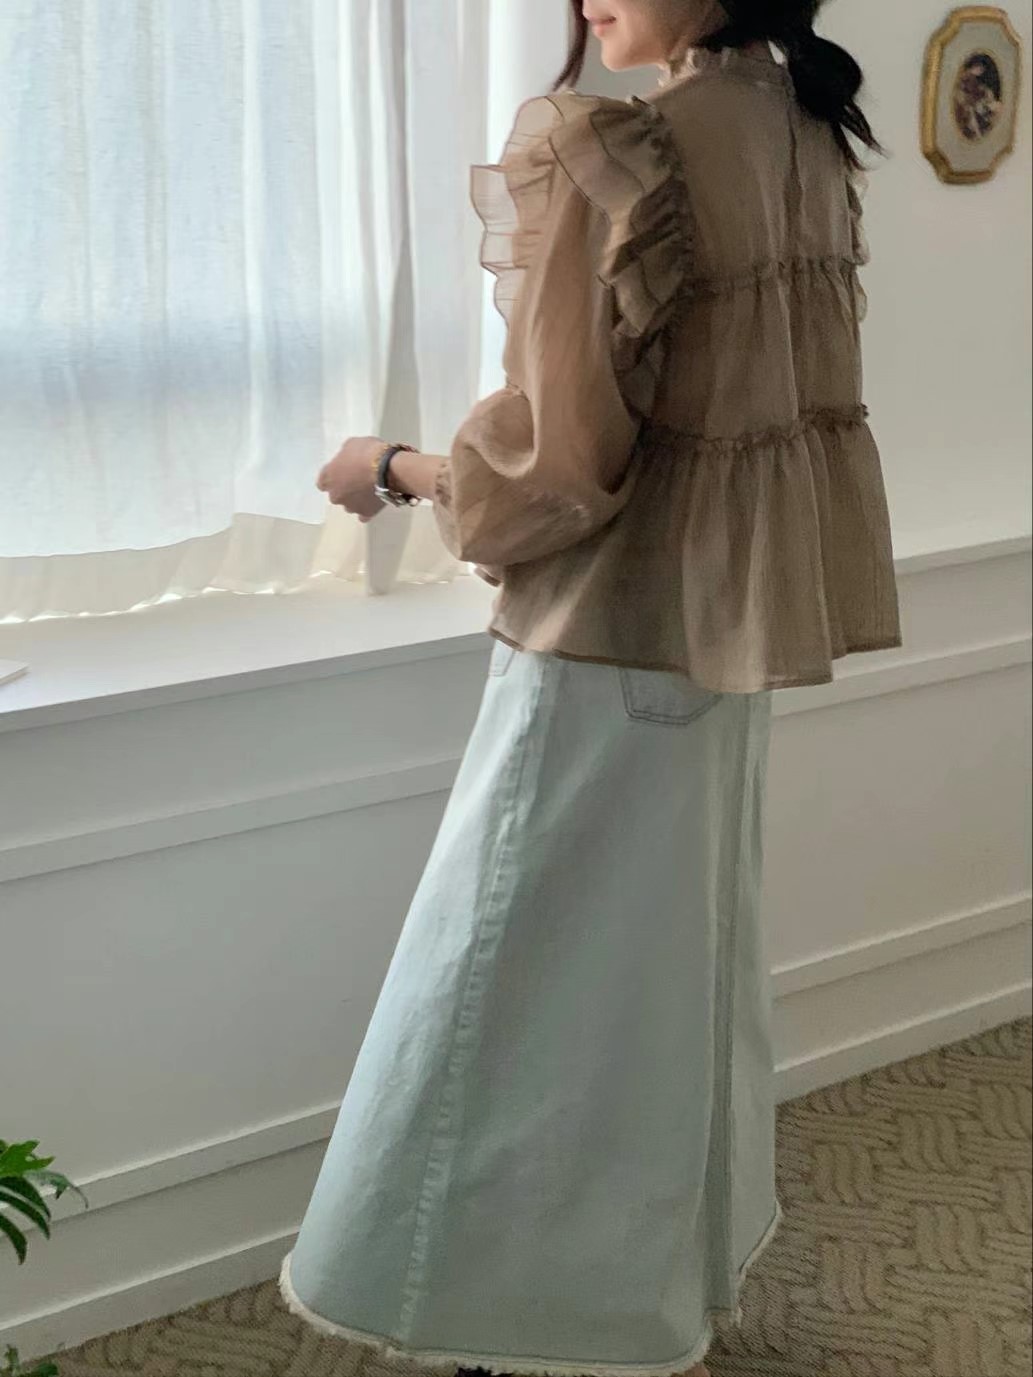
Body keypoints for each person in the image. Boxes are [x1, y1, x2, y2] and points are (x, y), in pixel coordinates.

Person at [279, 4, 902, 1375]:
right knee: (664, 993)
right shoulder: (804, 126)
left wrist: (393, 468)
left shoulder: (619, 148)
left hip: (598, 645)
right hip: (721, 643)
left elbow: (557, 467)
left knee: (498, 993)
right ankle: (634, 1302)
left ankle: (485, 1317)